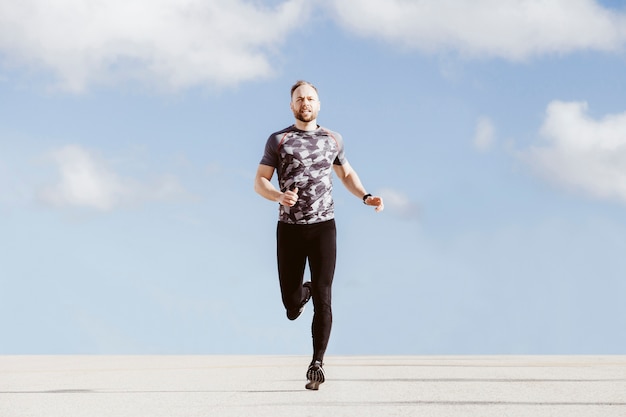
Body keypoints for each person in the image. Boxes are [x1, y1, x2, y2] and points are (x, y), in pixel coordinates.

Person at [254, 80, 384, 390]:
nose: (305, 103)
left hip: (324, 226)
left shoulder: (332, 139)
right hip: (289, 229)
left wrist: (366, 197)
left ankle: (317, 363)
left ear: (319, 104)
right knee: (290, 303)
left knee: (325, 297)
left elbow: (346, 174)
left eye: (310, 98)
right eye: (299, 99)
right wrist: (277, 197)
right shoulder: (279, 140)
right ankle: (304, 291)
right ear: (292, 106)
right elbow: (260, 180)